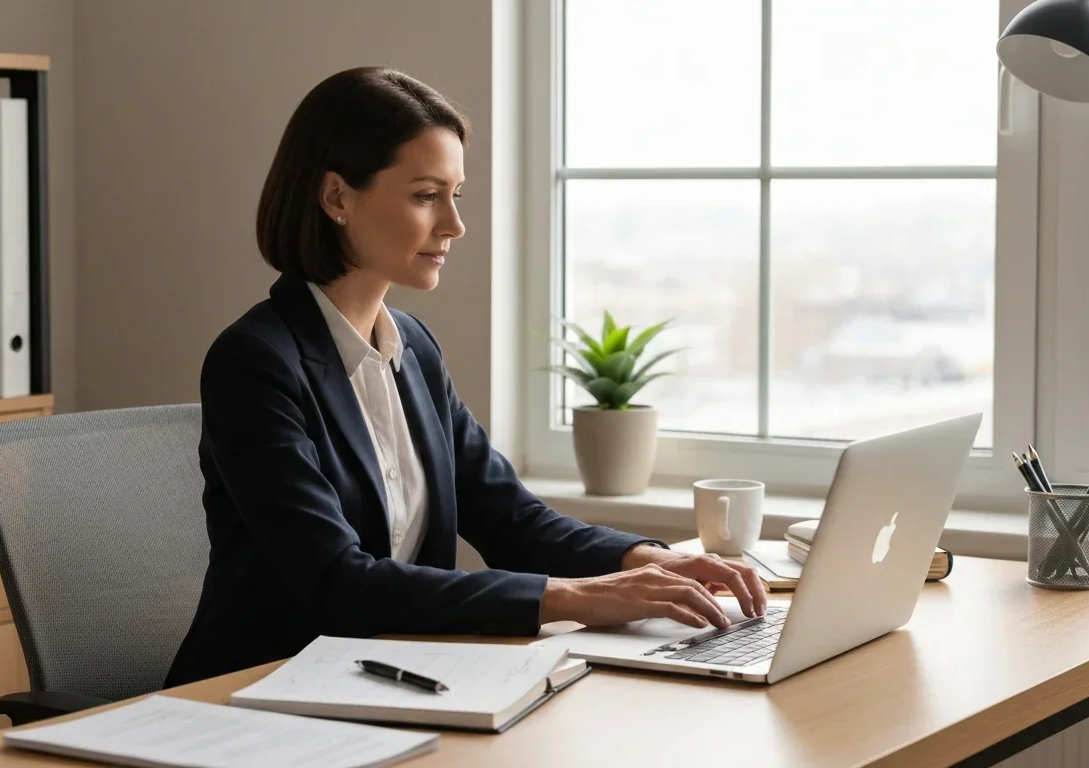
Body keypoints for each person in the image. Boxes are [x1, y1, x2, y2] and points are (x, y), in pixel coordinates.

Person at [163, 66, 769, 687]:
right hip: (260, 690)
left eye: (456, 195)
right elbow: (337, 582)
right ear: (337, 197)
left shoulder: (414, 350)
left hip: (396, 676)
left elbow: (507, 519)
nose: (454, 225)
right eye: (426, 196)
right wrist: (577, 597)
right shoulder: (256, 361)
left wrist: (649, 561)